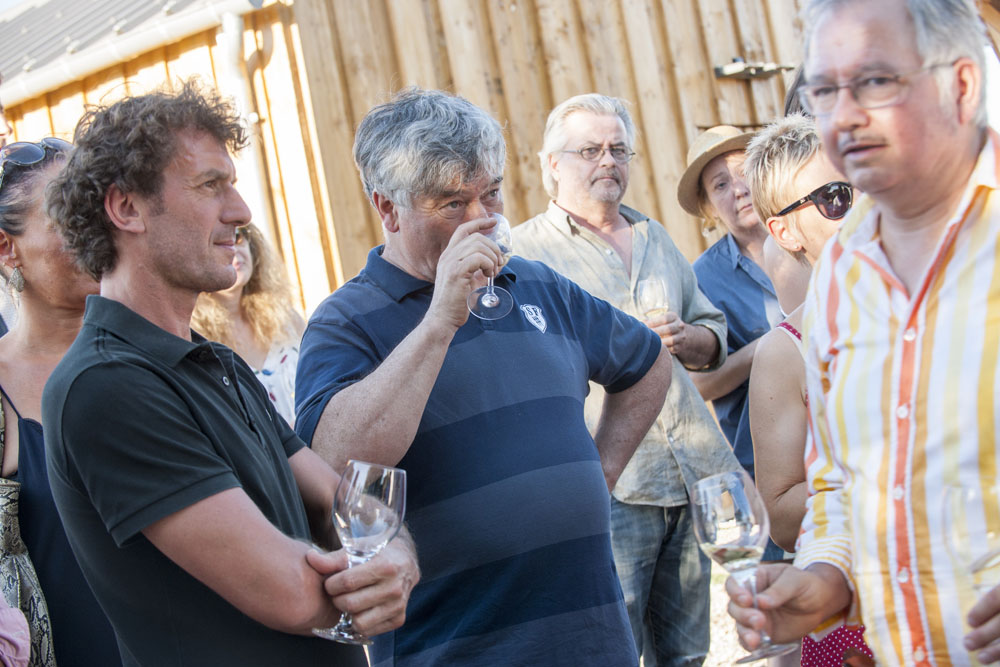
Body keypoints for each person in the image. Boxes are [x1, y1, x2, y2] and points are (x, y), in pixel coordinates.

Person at [42, 80, 419, 666]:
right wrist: (384, 570)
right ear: (126, 208)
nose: (240, 211)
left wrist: (395, 552)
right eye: (209, 185)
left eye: (233, 184)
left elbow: (342, 500)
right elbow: (290, 592)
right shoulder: (105, 384)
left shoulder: (214, 362)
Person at [294, 87, 672, 667]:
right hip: (456, 649)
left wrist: (603, 471)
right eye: (451, 204)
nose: (481, 221)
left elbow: (648, 362)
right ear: (388, 209)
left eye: (490, 193)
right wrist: (440, 320)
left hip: (592, 642)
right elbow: (332, 464)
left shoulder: (538, 284)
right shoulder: (346, 321)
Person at [726, 0, 1000, 664]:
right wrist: (826, 578)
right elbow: (844, 487)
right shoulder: (843, 273)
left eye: (874, 81)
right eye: (824, 90)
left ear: (963, 85)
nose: (842, 116)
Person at [512, 93, 740, 667]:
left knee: (688, 654)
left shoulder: (655, 236)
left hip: (691, 475)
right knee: (614, 650)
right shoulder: (523, 251)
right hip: (608, 481)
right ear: (552, 164)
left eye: (618, 149)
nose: (607, 161)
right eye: (590, 150)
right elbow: (518, 368)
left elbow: (714, 333)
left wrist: (687, 337)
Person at [744, 113, 872, 666]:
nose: (860, 204)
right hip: (856, 609)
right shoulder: (787, 350)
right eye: (835, 198)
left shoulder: (945, 305)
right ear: (785, 232)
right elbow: (781, 514)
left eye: (863, 183)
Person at [0, 138, 122, 665]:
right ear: (7, 248)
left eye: (101, 208)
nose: (98, 229)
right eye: (69, 214)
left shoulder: (165, 354)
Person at [682, 126, 781, 483]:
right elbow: (698, 385)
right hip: (769, 465)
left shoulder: (807, 236)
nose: (738, 189)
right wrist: (772, 345)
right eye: (721, 185)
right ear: (709, 207)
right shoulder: (702, 278)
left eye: (744, 172)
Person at [191, 222, 305, 425]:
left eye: (237, 237)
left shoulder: (286, 318)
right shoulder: (196, 339)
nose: (234, 249)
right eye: (220, 243)